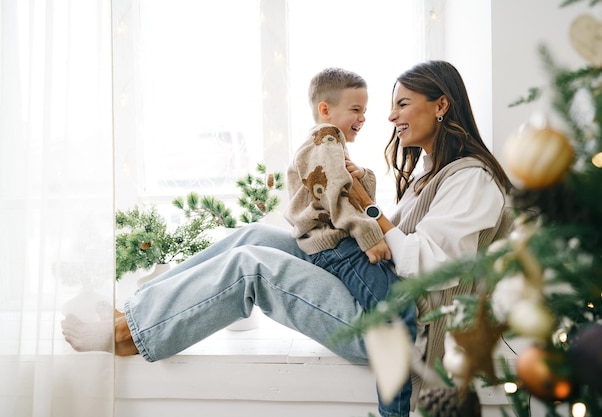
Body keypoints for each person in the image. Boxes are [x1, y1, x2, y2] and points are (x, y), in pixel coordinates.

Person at [62, 60, 512, 417]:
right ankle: (138, 309)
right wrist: (360, 200)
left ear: (441, 105)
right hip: (381, 292)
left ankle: (128, 335)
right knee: (254, 235)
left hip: (400, 325)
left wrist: (365, 207)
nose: (390, 116)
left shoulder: (470, 179)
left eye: (403, 103)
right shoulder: (431, 174)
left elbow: (433, 265)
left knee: (251, 267)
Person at [284, 67, 416, 415]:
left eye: (364, 110)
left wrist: (362, 175)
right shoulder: (327, 139)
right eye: (356, 110)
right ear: (326, 110)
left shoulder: (327, 143)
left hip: (332, 242)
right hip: (337, 246)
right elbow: (334, 195)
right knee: (399, 314)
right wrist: (368, 234)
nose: (364, 118)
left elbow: (346, 189)